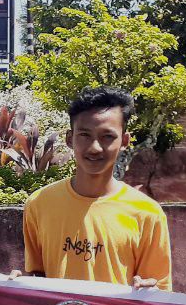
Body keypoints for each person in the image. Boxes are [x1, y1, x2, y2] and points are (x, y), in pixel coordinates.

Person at [21, 86, 172, 290]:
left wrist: (149, 289)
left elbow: (159, 291)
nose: (94, 147)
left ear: (124, 141)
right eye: (84, 135)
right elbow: (36, 277)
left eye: (107, 136)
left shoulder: (148, 213)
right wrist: (18, 284)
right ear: (69, 139)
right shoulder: (39, 204)